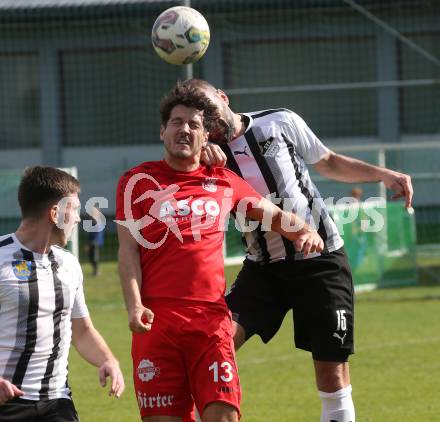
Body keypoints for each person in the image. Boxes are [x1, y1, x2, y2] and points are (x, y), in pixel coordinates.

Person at [182, 78, 414, 422]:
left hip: (321, 261)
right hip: (262, 269)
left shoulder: (279, 122)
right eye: (201, 122)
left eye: (211, 112)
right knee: (214, 351)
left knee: (332, 373)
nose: (211, 125)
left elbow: (328, 161)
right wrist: (197, 163)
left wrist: (381, 174)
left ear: (223, 97)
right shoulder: (201, 157)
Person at [115, 82, 324, 422]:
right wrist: (135, 305)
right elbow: (127, 252)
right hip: (157, 323)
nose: (184, 129)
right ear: (162, 130)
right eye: (177, 122)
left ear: (205, 136)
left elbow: (272, 215)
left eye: (194, 124)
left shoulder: (222, 180)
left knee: (224, 416)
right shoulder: (136, 181)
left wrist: (304, 231)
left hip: (210, 321)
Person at [0, 166, 125, 422]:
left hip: (57, 402)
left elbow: (82, 329)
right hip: (6, 402)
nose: (78, 219)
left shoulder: (69, 264)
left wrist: (108, 360)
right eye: (75, 210)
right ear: (55, 213)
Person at [87, 205, 105, 276]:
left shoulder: (98, 223)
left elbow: (98, 234)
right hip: (92, 243)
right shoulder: (92, 223)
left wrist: (93, 242)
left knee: (95, 257)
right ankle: (94, 270)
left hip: (95, 243)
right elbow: (90, 234)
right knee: (91, 257)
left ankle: (97, 271)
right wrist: (88, 243)